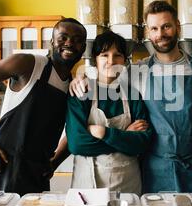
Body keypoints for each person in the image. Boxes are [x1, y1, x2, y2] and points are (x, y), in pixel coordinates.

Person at [70, 1, 192, 195]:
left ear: (177, 27)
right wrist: (79, 77)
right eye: (154, 28)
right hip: (155, 169)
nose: (161, 34)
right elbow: (106, 76)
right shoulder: (137, 71)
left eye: (166, 26)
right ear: (148, 33)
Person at [0, 18, 86, 196]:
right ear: (51, 42)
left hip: (36, 176)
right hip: (0, 168)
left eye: (77, 39)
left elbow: (75, 131)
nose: (70, 43)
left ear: (84, 48)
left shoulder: (72, 86)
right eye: (63, 37)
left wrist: (55, 162)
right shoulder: (29, 65)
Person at [64, 31, 152, 195]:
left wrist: (103, 132)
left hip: (127, 186)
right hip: (87, 186)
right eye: (104, 55)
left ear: (125, 61)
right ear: (95, 60)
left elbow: (143, 142)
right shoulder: (82, 92)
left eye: (117, 55)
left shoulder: (133, 95)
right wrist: (124, 137)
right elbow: (77, 143)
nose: (111, 61)